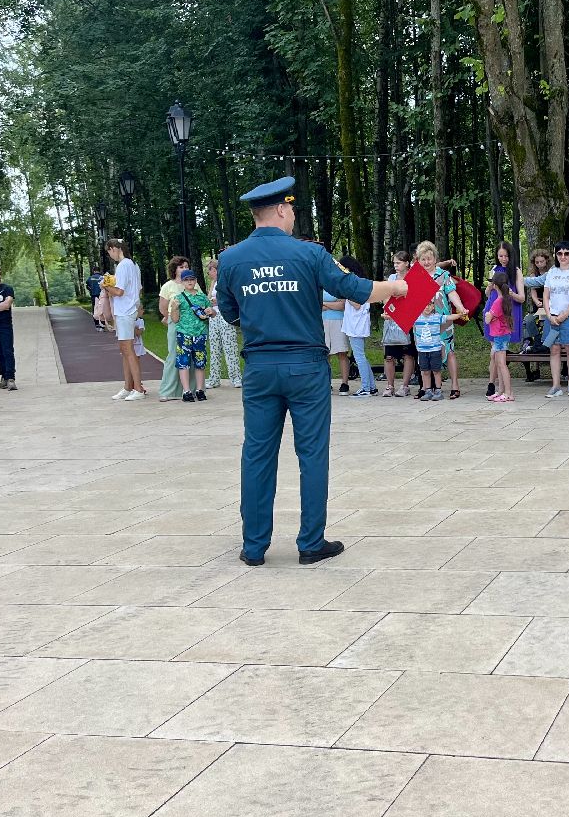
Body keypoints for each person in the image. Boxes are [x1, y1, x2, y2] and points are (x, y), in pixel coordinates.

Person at [215, 177, 407, 566]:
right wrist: (397, 287)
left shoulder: (231, 259)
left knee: (256, 455)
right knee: (313, 454)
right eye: (292, 210)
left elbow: (230, 312)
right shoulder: (310, 254)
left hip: (260, 369)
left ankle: (253, 548)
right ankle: (310, 542)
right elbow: (356, 289)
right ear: (283, 210)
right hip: (306, 368)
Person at [526, 242, 569, 398]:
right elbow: (546, 294)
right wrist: (549, 314)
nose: (563, 256)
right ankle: (556, 385)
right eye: (560, 253)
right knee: (554, 349)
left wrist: (564, 315)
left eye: (566, 253)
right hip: (552, 317)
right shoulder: (552, 272)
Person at [415, 241, 469, 399]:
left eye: (429, 259)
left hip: (443, 319)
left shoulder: (444, 275)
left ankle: (454, 386)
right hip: (422, 322)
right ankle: (426, 388)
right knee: (424, 353)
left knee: (449, 351)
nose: (426, 262)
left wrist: (460, 307)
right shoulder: (415, 276)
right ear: (418, 260)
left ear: (435, 258)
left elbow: (452, 293)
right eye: (423, 259)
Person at [104, 239, 146, 401]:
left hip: (125, 311)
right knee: (125, 350)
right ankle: (128, 386)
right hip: (128, 310)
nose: (110, 255)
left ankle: (137, 388)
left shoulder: (123, 265)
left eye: (109, 252)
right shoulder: (133, 265)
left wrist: (105, 286)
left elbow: (119, 291)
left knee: (128, 350)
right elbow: (136, 288)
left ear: (115, 248)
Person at [485, 242, 526, 396]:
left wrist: (510, 293)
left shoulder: (516, 272)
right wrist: (489, 288)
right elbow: (488, 295)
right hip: (492, 312)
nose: (503, 259)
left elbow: (522, 298)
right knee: (494, 352)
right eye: (500, 256)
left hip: (507, 313)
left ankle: (502, 389)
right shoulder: (494, 270)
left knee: (498, 353)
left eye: (506, 256)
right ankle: (495, 386)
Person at [168, 270, 212, 402]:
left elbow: (210, 312)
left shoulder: (202, 297)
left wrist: (211, 311)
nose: (190, 282)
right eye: (186, 280)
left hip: (200, 334)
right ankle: (186, 391)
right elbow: (175, 320)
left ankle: (199, 390)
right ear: (182, 282)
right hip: (184, 334)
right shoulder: (178, 298)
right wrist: (174, 308)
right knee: (184, 363)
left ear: (196, 281)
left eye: (192, 279)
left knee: (200, 363)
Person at [340, 254, 377, 397]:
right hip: (355, 324)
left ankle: (366, 387)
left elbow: (356, 304)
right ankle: (371, 386)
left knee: (359, 356)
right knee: (361, 356)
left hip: (356, 325)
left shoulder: (355, 282)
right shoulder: (360, 281)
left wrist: (344, 292)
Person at [381, 250, 415, 397]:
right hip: (392, 319)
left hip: (408, 319)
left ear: (407, 263)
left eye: (398, 263)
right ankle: (390, 385)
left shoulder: (414, 277)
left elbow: (415, 298)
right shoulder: (392, 278)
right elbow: (385, 295)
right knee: (389, 355)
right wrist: (388, 309)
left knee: (408, 354)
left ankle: (405, 385)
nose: (395, 266)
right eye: (394, 263)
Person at [204, 257, 242, 389]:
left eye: (209, 271)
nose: (208, 274)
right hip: (213, 317)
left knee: (229, 346)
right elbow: (209, 298)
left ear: (214, 270)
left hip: (225, 315)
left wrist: (218, 302)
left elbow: (231, 298)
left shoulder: (225, 281)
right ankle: (214, 378)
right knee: (214, 347)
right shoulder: (213, 283)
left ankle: (236, 378)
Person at [157, 256, 189, 401]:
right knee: (173, 355)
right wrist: (172, 317)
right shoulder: (168, 286)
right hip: (175, 323)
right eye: (181, 267)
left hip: (191, 324)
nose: (184, 269)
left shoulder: (192, 283)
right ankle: (169, 390)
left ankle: (189, 389)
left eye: (186, 267)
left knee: (191, 356)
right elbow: (163, 308)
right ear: (174, 269)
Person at [485, 270, 516, 402]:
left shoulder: (498, 302)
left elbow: (488, 319)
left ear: (495, 285)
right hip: (502, 335)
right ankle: (501, 391)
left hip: (499, 336)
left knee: (502, 364)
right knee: (499, 363)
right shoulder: (505, 299)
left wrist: (488, 316)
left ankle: (509, 393)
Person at [322, 283, 351, 394]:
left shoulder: (338, 285)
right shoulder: (319, 284)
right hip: (322, 321)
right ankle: (326, 383)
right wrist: (333, 304)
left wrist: (325, 304)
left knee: (342, 352)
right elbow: (316, 304)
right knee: (325, 354)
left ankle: (344, 383)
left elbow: (341, 306)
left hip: (338, 321)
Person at [414, 303, 446, 401]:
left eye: (429, 305)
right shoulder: (416, 318)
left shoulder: (437, 317)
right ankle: (428, 390)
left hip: (435, 349)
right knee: (425, 371)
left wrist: (461, 313)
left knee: (436, 371)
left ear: (433, 307)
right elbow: (402, 318)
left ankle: (438, 390)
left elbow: (449, 317)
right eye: (425, 304)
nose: (427, 307)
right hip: (422, 350)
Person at [523, 247, 552, 347]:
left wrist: (546, 302)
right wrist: (536, 301)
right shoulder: (533, 274)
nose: (539, 264)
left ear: (546, 261)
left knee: (545, 321)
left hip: (550, 304)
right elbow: (533, 290)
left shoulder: (552, 272)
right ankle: (533, 340)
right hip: (538, 305)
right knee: (528, 320)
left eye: (541, 261)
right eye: (537, 262)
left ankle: (544, 342)